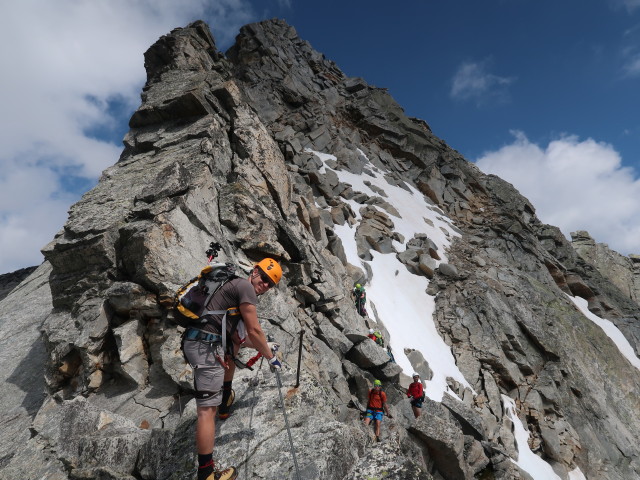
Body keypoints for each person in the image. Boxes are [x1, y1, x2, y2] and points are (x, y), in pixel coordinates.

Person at [182, 258, 283, 480]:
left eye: (270, 283)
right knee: (207, 411)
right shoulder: (245, 287)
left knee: (231, 348)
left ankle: (225, 400)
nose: (265, 284)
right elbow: (254, 331)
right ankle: (207, 474)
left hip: (201, 341)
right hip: (205, 345)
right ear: (255, 271)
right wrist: (270, 357)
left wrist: (266, 346)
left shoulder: (235, 287)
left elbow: (240, 338)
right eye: (264, 277)